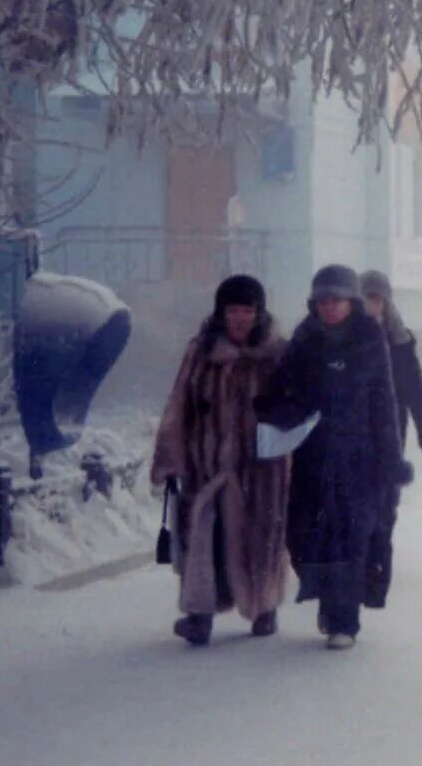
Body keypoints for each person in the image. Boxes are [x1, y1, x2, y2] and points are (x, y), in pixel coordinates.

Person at [255, 265, 412, 650]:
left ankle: (345, 619)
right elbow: (280, 390)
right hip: (312, 458)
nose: (329, 308)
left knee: (349, 538)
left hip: (358, 462)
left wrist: (390, 460)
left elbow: (384, 404)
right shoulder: (304, 339)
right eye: (323, 301)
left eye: (336, 300)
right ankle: (328, 600)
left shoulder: (369, 340)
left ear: (350, 303)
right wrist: (278, 410)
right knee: (307, 536)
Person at [151, 275, 290, 646]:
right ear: (221, 313)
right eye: (233, 310)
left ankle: (264, 609)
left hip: (262, 469)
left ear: (259, 314)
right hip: (208, 468)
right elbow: (177, 406)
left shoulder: (277, 356)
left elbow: (299, 408)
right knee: (204, 541)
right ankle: (200, 617)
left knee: (261, 538)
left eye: (248, 310)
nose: (240, 318)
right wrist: (170, 459)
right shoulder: (201, 352)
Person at [359, 269, 422, 611]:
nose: (370, 305)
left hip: (391, 432)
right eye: (364, 297)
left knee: (384, 503)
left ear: (385, 302)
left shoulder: (398, 340)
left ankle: (375, 572)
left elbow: (414, 387)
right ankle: (356, 564)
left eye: (376, 298)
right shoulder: (346, 336)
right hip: (352, 433)